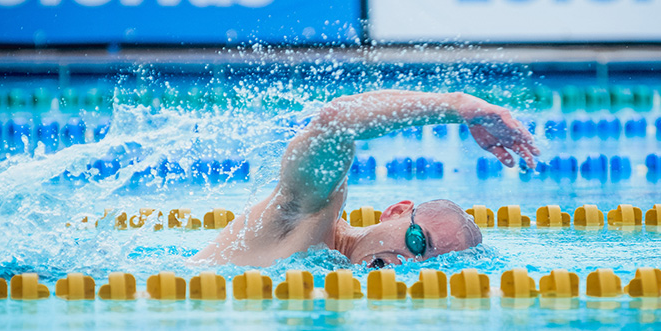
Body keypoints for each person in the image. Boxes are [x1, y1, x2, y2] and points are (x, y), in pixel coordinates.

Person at [193, 90, 538, 266]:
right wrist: (457, 105)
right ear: (396, 211)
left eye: (427, 266)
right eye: (419, 243)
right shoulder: (308, 213)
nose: (407, 261)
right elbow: (336, 120)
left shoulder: (345, 280)